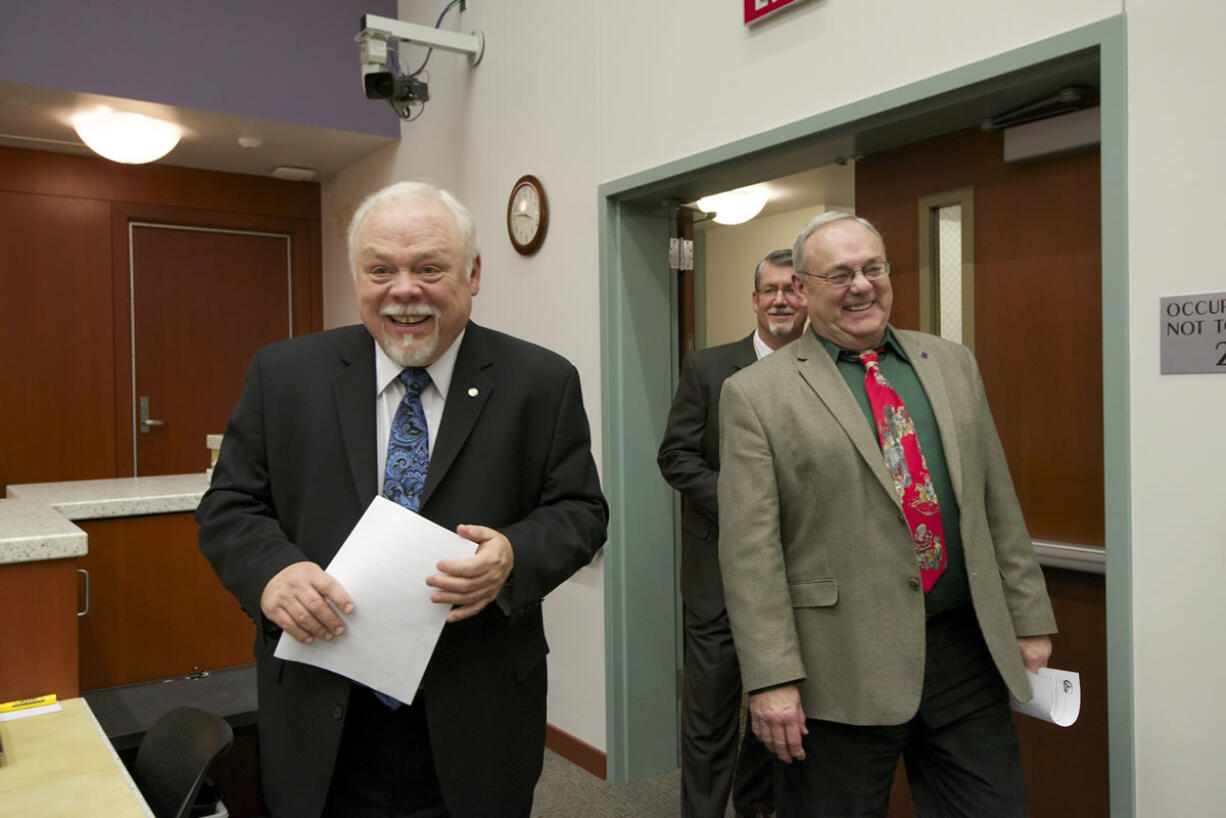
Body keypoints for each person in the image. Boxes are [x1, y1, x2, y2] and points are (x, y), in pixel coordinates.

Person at [196, 181, 608, 818]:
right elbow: (229, 507)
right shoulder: (283, 375)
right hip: (320, 707)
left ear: (473, 275)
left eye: (429, 268)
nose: (404, 290)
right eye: (380, 269)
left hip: (475, 708)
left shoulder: (541, 381)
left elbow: (581, 512)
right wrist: (271, 574)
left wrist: (512, 557)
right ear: (358, 275)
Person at [716, 212, 1057, 817]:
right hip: (838, 666)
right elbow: (750, 552)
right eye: (840, 274)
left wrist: (1029, 616)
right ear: (803, 287)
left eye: (873, 268)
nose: (862, 286)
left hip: (964, 651)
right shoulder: (756, 395)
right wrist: (770, 679)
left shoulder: (950, 364)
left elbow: (996, 501)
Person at [658, 249, 807, 818]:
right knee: (710, 720)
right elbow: (675, 457)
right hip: (717, 582)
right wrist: (749, 507)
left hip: (799, 582)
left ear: (807, 297)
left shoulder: (828, 372)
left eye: (793, 289)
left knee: (782, 715)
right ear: (754, 300)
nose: (781, 299)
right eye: (770, 289)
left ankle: (756, 807)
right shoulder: (708, 369)